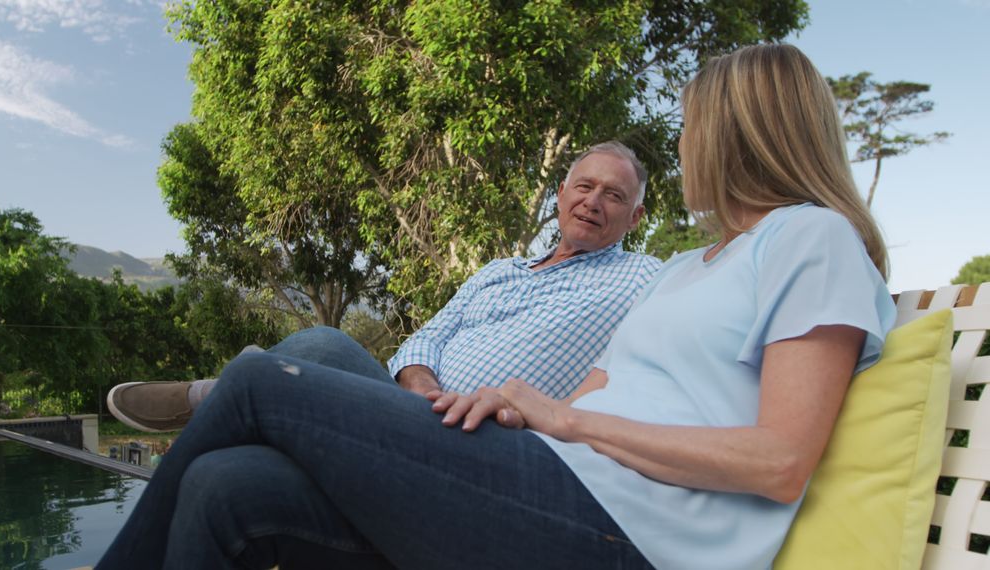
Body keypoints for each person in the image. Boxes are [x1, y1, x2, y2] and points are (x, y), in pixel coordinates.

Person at [98, 43, 896, 570]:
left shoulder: (810, 239)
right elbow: (594, 395)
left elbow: (780, 463)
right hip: (541, 480)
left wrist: (562, 419)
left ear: (735, 134)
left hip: (628, 535)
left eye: (691, 129)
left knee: (261, 381)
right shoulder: (686, 267)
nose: (684, 145)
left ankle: (208, 399)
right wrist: (519, 412)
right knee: (226, 487)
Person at [106, 141, 661, 432]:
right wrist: (419, 384)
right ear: (560, 195)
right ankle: (243, 389)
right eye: (584, 186)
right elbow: (425, 338)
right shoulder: (500, 270)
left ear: (634, 220)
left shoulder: (642, 278)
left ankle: (220, 393)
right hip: (413, 407)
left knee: (324, 345)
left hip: (490, 436)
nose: (593, 201)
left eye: (614, 196)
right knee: (240, 469)